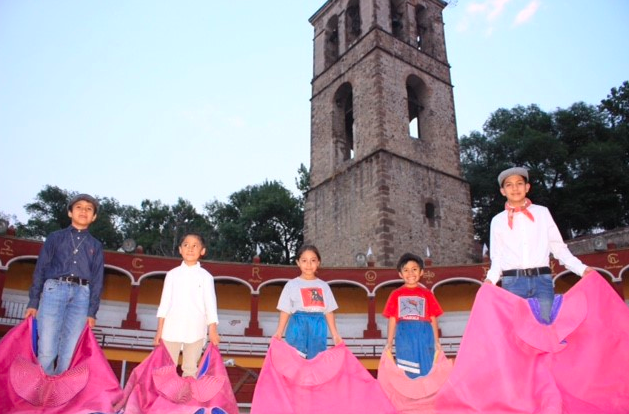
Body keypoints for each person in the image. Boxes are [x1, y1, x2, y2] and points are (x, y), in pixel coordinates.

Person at [485, 166, 593, 323]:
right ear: (503, 191)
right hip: (513, 283)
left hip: (542, 281)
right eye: (509, 185)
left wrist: (582, 269)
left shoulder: (542, 213)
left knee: (545, 328)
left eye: (519, 183)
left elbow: (558, 248)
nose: (515, 188)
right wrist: (490, 280)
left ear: (527, 187)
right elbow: (497, 257)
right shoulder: (498, 220)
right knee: (518, 332)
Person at [24, 193, 104, 376]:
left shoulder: (96, 245)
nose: (83, 211)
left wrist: (92, 311)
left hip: (82, 295)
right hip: (54, 289)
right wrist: (33, 301)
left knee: (70, 350)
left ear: (94, 217)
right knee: (47, 347)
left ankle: (59, 395)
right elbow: (41, 268)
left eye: (89, 209)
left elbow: (97, 279)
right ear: (70, 213)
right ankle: (42, 393)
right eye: (79, 207)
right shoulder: (55, 238)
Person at [153, 233, 220, 377]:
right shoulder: (172, 274)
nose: (190, 249)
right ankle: (166, 398)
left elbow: (211, 306)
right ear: (180, 249)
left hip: (196, 329)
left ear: (202, 251)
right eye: (186, 245)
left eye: (195, 245)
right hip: (171, 330)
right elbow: (164, 304)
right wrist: (159, 331)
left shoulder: (206, 277)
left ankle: (188, 398)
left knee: (190, 369)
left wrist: (212, 330)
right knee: (167, 369)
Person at [273, 244, 342, 359]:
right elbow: (285, 310)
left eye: (313, 260)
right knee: (295, 360)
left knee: (315, 361)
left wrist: (335, 335)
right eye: (304, 260)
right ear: (298, 262)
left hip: (318, 326)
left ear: (318, 262)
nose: (308, 265)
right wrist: (279, 332)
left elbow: (329, 311)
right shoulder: (291, 285)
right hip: (297, 324)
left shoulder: (324, 286)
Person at [383, 253, 443, 378]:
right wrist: (389, 342)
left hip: (425, 334)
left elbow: (433, 318)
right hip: (404, 335)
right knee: (407, 368)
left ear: (421, 272)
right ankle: (410, 395)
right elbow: (393, 319)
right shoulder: (395, 294)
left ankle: (426, 395)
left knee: (427, 366)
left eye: (414, 269)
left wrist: (436, 341)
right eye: (406, 270)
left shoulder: (427, 294)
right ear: (400, 274)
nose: (410, 273)